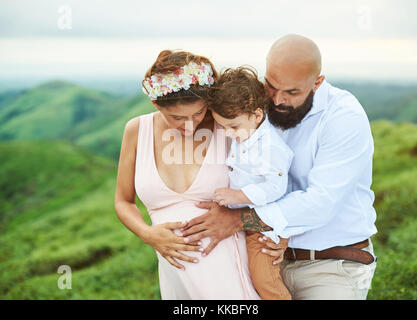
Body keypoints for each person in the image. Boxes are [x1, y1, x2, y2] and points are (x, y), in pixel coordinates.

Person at [181, 34, 378, 300]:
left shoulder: (344, 117)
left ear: (317, 83)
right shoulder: (257, 109)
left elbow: (321, 202)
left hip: (331, 265)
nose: (277, 100)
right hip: (268, 257)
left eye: (292, 92)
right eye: (271, 86)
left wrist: (238, 220)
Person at [114, 50, 260, 300]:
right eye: (177, 118)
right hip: (176, 278)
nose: (190, 125)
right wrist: (146, 233)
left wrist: (240, 219)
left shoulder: (226, 129)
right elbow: (123, 201)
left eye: (198, 113)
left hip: (229, 271)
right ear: (156, 104)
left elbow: (277, 197)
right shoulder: (137, 130)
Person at [206, 66, 293, 300]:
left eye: (232, 126)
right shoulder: (246, 132)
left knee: (265, 280)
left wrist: (239, 196)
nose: (227, 133)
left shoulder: (270, 146)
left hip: (263, 225)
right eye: (223, 127)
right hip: (243, 220)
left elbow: (276, 186)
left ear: (256, 115)